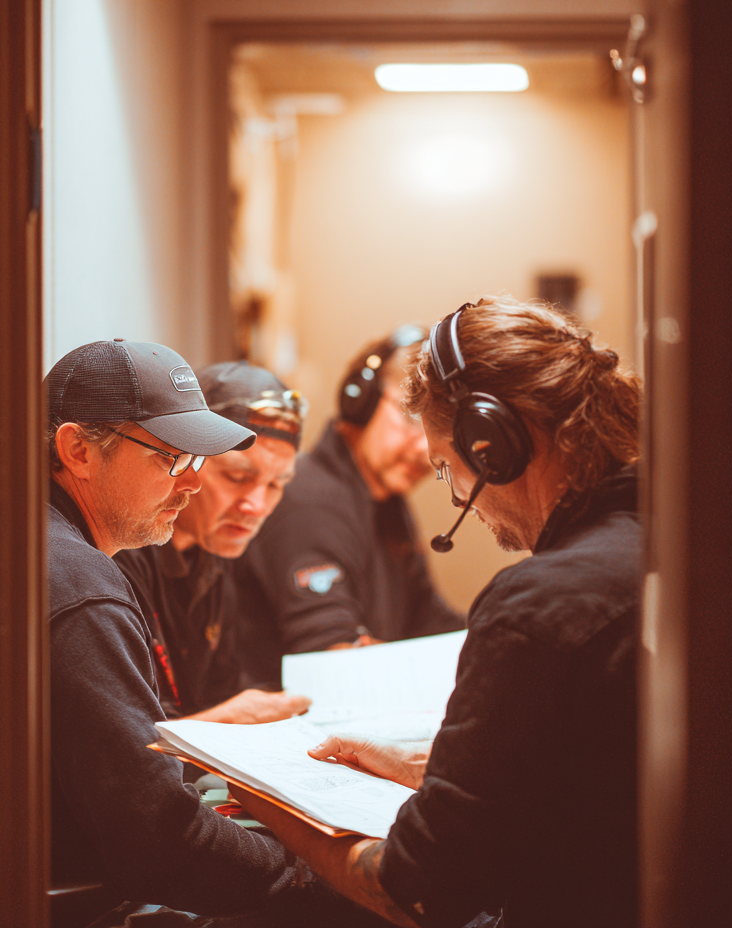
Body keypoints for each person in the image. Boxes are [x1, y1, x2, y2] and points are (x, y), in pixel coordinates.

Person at [0, 340, 335, 923]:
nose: (191, 484)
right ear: (79, 450)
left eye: (198, 461)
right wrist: (320, 875)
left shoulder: (29, 545)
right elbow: (162, 842)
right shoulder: (76, 585)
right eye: (172, 458)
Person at [233, 297, 644, 928]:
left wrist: (270, 800)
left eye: (449, 467)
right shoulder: (681, 549)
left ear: (494, 444)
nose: (459, 497)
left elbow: (417, 890)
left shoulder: (538, 603)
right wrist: (449, 772)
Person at [235, 326, 463, 685]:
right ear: (361, 402)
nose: (425, 449)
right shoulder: (309, 503)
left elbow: (427, 617)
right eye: (409, 418)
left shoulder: (385, 502)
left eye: (438, 430)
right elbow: (332, 656)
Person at [113, 361, 312, 722]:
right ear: (185, 459)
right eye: (237, 477)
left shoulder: (215, 550)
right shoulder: (122, 551)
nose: (256, 506)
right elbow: (128, 745)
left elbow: (219, 690)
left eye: (276, 485)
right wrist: (231, 719)